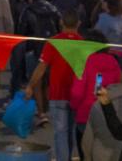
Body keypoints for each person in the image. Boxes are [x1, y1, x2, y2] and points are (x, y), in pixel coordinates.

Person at [25, 10, 83, 161]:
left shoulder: (53, 42)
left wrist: (31, 85)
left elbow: (42, 67)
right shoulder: (83, 43)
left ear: (61, 23)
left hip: (57, 94)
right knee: (71, 132)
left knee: (60, 133)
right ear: (78, 24)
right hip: (77, 95)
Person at [69, 30, 121, 160]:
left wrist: (74, 106)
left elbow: (77, 92)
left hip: (85, 114)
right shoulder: (114, 62)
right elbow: (118, 86)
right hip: (108, 113)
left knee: (85, 152)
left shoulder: (84, 61)